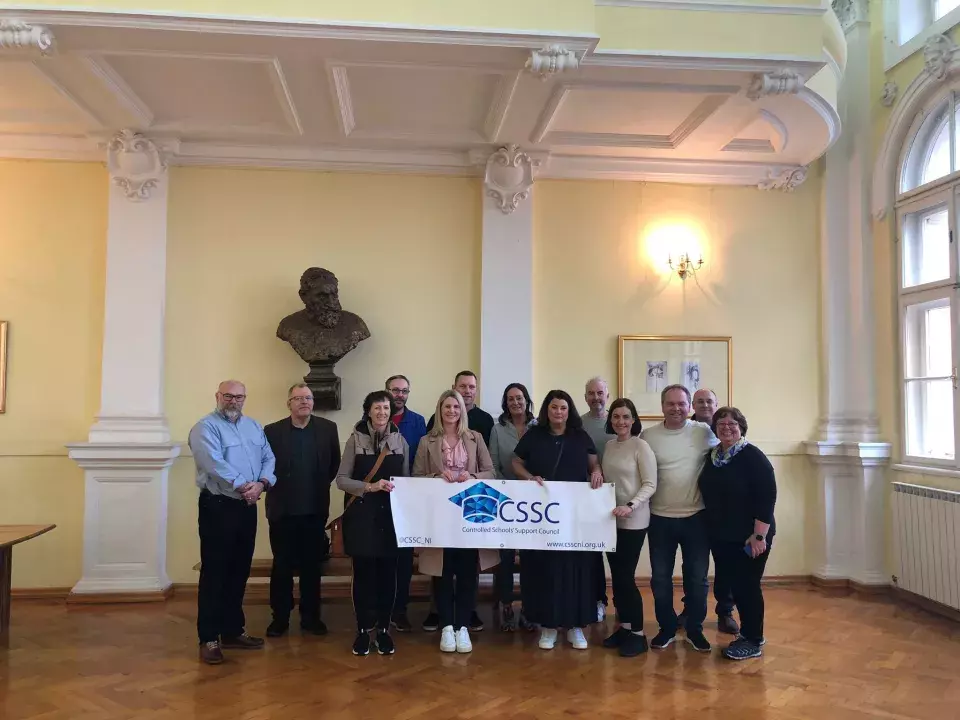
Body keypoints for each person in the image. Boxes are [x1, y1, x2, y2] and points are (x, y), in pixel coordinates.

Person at [189, 380, 276, 665]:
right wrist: (244, 486)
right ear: (217, 396)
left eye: (239, 397)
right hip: (218, 506)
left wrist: (262, 483)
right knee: (215, 572)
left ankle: (232, 631)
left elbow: (268, 457)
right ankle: (209, 637)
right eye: (228, 396)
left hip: (246, 507)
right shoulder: (205, 427)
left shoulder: (253, 426)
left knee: (239, 570)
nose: (234, 401)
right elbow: (213, 463)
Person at [512, 390, 604, 651]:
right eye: (554, 407)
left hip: (575, 517)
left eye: (563, 408)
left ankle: (575, 627)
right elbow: (516, 462)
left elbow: (593, 466)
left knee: (576, 569)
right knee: (545, 570)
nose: (559, 412)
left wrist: (596, 473)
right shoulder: (534, 436)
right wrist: (529, 478)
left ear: (569, 410)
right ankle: (548, 626)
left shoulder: (580, 436)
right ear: (546, 410)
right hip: (543, 517)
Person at [413, 390, 498, 653]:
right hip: (439, 518)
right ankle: (447, 626)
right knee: (442, 570)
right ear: (439, 410)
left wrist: (471, 475)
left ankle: (462, 626)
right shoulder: (426, 441)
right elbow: (415, 477)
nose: (452, 411)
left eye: (456, 406)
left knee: (466, 571)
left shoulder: (475, 438)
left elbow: (491, 473)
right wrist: (438, 475)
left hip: (470, 515)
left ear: (462, 410)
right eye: (447, 406)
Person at [641, 384, 718, 653]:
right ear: (662, 406)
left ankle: (695, 630)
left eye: (681, 404)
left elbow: (729, 452)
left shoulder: (704, 432)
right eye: (670, 403)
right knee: (660, 579)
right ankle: (667, 628)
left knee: (697, 579)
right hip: (659, 519)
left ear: (689, 407)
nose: (676, 408)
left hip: (696, 518)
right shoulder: (648, 436)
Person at [263, 384, 341, 638]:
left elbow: (333, 466)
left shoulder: (328, 430)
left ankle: (311, 617)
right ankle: (280, 618)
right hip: (282, 511)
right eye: (298, 398)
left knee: (311, 567)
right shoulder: (272, 431)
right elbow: (265, 467)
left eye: (308, 398)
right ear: (289, 404)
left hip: (314, 510)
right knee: (282, 567)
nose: (304, 402)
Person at [335, 390, 410, 657]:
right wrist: (370, 486)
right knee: (364, 575)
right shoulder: (354, 440)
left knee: (388, 575)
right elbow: (342, 480)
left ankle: (383, 630)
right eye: (377, 408)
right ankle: (363, 630)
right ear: (368, 411)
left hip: (391, 519)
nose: (382, 413)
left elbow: (406, 482)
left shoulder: (401, 441)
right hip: (362, 517)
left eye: (386, 409)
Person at [699, 407, 776, 661]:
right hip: (723, 535)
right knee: (736, 584)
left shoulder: (752, 456)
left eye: (732, 424)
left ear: (741, 426)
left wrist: (759, 536)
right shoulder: (713, 456)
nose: (727, 427)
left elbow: (766, 497)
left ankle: (753, 639)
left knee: (747, 587)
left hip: (750, 536)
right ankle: (750, 634)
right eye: (721, 424)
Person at [600, 398, 657, 657]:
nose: (620, 421)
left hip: (634, 520)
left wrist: (631, 505)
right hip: (611, 519)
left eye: (625, 417)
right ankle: (624, 627)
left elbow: (650, 484)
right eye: (615, 417)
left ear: (633, 420)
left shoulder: (641, 446)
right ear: (610, 421)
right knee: (617, 578)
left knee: (626, 577)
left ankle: (638, 634)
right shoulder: (610, 446)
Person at [681, 387, 738, 635]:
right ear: (693, 405)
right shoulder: (687, 430)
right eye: (699, 401)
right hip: (695, 509)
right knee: (693, 566)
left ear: (716, 404)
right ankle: (691, 609)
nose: (705, 405)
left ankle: (725, 611)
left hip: (725, 514)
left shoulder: (727, 430)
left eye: (709, 401)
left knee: (725, 564)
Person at [488, 382, 536, 632]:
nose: (515, 402)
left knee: (530, 557)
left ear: (527, 400)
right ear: (505, 404)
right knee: (506, 556)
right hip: (505, 501)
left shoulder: (539, 427)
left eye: (519, 398)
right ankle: (507, 605)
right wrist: (502, 492)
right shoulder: (497, 430)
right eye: (510, 399)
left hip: (533, 502)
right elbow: (493, 464)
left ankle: (529, 607)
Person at [383, 374, 428, 634]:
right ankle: (380, 609)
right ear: (386, 391)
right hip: (379, 497)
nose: (399, 395)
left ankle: (400, 610)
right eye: (395, 390)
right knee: (380, 555)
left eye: (404, 391)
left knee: (403, 559)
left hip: (408, 499)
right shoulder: (370, 420)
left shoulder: (418, 422)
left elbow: (420, 461)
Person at [580, 377, 616, 621]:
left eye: (600, 393)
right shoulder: (578, 424)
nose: (596, 397)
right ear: (585, 397)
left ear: (607, 395)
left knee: (616, 555)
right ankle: (596, 600)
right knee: (591, 555)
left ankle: (621, 603)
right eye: (591, 393)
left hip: (618, 496)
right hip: (588, 497)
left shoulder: (619, 421)